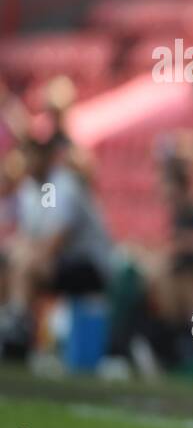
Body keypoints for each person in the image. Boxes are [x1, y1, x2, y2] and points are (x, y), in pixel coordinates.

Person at [1, 130, 113, 351]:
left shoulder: (63, 186)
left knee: (25, 267)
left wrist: (23, 256)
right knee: (10, 264)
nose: (29, 160)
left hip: (90, 266)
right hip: (59, 262)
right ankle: (12, 325)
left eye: (35, 154)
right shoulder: (29, 189)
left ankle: (18, 331)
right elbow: (28, 237)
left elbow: (56, 241)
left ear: (46, 157)